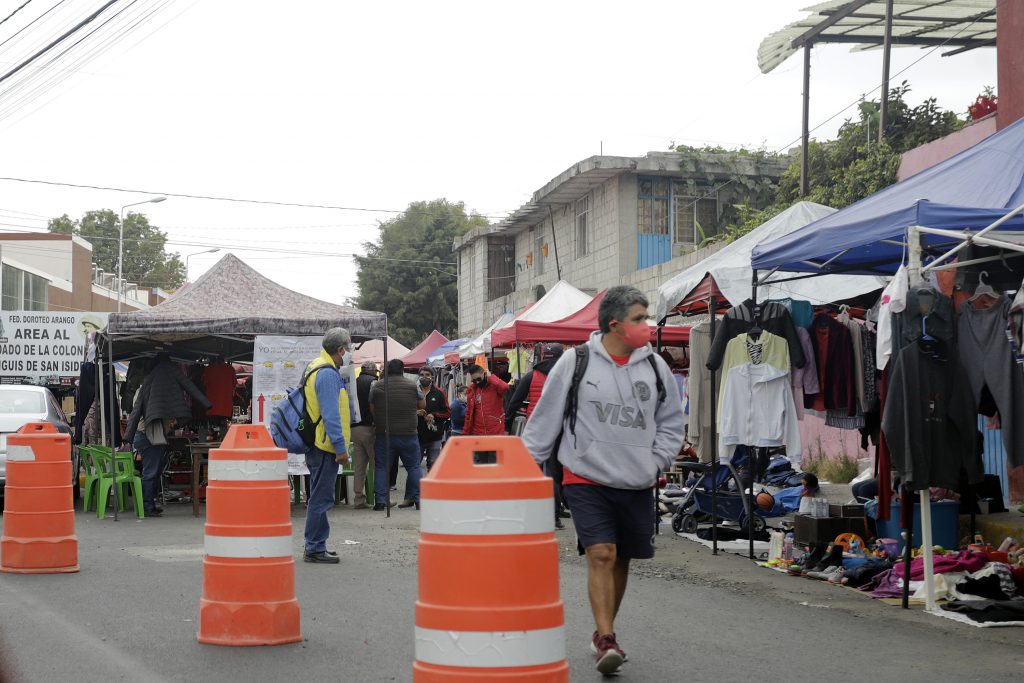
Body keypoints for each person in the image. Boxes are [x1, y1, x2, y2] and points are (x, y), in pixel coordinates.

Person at [522, 285, 684, 675]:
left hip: (637, 481)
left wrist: (655, 462)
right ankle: (608, 639)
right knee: (602, 553)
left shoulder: (655, 367)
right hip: (585, 476)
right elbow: (543, 422)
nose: (647, 326)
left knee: (622, 558)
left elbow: (671, 423)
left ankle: (601, 631)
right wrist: (524, 474)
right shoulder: (575, 362)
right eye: (639, 319)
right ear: (615, 324)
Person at [124, 354, 212, 517]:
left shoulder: (146, 386)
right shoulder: (155, 386)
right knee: (151, 472)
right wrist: (206, 405)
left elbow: (135, 413)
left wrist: (129, 436)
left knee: (154, 471)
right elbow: (189, 387)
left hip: (147, 435)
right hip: (149, 435)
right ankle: (147, 506)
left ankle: (149, 504)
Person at [301, 327, 353, 564]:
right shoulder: (328, 374)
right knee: (321, 499)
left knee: (319, 497)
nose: (349, 354)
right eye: (348, 349)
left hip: (317, 443)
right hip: (324, 445)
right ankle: (314, 547)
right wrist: (340, 448)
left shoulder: (315, 366)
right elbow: (332, 416)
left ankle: (316, 545)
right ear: (340, 349)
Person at [505, 343, 571, 528]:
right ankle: (554, 516)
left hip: (535, 430)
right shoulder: (567, 376)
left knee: (531, 471)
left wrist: (508, 426)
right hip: (559, 429)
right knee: (553, 473)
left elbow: (513, 402)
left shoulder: (530, 376)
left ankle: (528, 512)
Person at [370, 358, 425, 510]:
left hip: (384, 433)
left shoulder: (377, 386)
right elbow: (422, 404)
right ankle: (419, 499)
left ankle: (380, 501)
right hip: (409, 433)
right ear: (402, 370)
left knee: (381, 467)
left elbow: (372, 408)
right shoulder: (413, 385)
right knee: (413, 467)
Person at [350, 360, 379, 509]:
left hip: (354, 428)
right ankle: (380, 497)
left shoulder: (353, 382)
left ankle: (358, 499)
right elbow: (375, 404)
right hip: (368, 427)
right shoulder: (374, 382)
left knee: (359, 466)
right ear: (373, 371)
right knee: (378, 463)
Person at [417, 367, 451, 471]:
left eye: (427, 375)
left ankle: (431, 486)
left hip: (435, 436)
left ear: (432, 376)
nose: (424, 377)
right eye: (422, 375)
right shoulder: (413, 391)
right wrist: (415, 413)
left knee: (433, 465)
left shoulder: (439, 392)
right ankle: (418, 487)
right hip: (417, 435)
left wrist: (434, 415)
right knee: (415, 465)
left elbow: (448, 412)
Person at [463, 364, 509, 435]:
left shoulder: (494, 386)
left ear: (485, 374)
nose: (477, 382)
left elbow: (505, 387)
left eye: (479, 379)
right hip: (478, 433)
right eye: (474, 381)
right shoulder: (472, 390)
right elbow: (468, 415)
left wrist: (491, 377)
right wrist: (465, 434)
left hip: (495, 432)